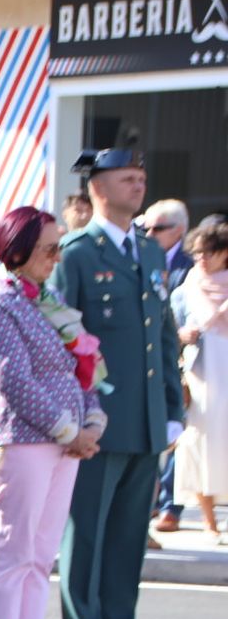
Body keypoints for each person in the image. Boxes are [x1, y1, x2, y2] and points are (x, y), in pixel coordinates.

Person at [50, 149, 183, 619]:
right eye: (128, 179)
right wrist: (75, 417)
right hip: (98, 419)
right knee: (87, 536)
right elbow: (61, 340)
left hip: (146, 420)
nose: (139, 186)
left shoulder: (149, 252)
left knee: (128, 536)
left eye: (142, 178)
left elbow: (165, 335)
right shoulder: (77, 253)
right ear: (98, 188)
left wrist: (171, 407)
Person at [0, 206, 105, 619]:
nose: (56, 256)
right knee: (15, 554)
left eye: (58, 247)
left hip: (63, 442)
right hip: (23, 440)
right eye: (49, 247)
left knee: (41, 556)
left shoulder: (49, 299)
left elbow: (83, 367)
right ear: (19, 249)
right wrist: (70, 428)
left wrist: (91, 422)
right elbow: (12, 380)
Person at [175, 217, 228, 545]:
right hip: (202, 371)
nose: (202, 259)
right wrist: (182, 335)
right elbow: (171, 326)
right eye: (196, 253)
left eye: (208, 252)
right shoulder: (189, 285)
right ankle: (209, 521)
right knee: (201, 440)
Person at [143, 199, 192, 533]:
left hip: (185, 364)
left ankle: (169, 505)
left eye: (157, 227)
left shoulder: (191, 265)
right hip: (151, 362)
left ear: (178, 230)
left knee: (178, 433)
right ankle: (148, 506)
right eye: (144, 227)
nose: (148, 233)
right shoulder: (142, 258)